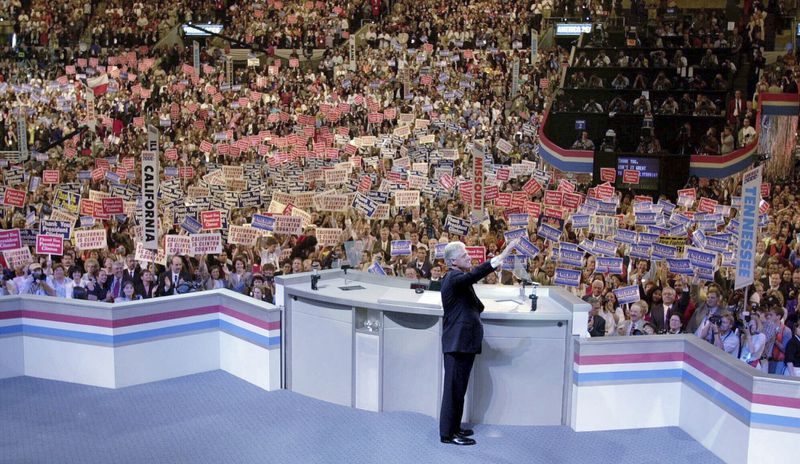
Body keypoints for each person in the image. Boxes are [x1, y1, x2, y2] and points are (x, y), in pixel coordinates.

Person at [438, 239, 517, 446]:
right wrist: (502, 256)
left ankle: (454, 428)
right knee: (453, 390)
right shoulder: (455, 278)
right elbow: (475, 274)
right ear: (454, 261)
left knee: (459, 389)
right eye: (465, 256)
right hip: (457, 343)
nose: (469, 257)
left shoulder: (457, 277)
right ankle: (447, 434)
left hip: (463, 343)